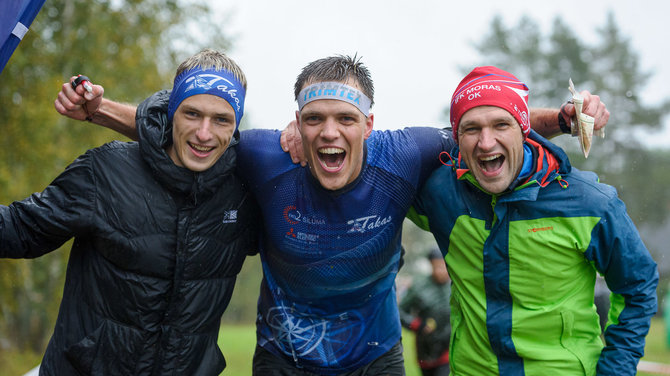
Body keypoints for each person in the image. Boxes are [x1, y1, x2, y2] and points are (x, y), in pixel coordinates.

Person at [54, 55, 609, 375]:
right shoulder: (269, 154)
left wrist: (562, 116)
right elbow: (192, 132)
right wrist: (98, 109)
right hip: (281, 354)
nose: (329, 132)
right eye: (314, 118)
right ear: (296, 121)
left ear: (369, 124)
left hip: (375, 354)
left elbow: (490, 120)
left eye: (345, 118)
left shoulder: (405, 153)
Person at [2, 49, 258, 375]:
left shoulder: (243, 196)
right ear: (172, 113)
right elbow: (20, 229)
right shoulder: (106, 171)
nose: (204, 133)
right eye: (192, 114)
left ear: (235, 126)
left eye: (221, 119)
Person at [408, 66, 658, 375]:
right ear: (456, 137)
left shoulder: (590, 202)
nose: (486, 143)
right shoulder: (440, 193)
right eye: (471, 129)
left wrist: (616, 370)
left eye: (502, 124)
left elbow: (638, 287)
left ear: (525, 131)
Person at [399, 248, 451, 376]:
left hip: (448, 348)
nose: (440, 271)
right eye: (436, 266)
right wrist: (417, 325)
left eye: (444, 266)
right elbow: (399, 311)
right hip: (425, 348)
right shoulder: (419, 287)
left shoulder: (456, 286)